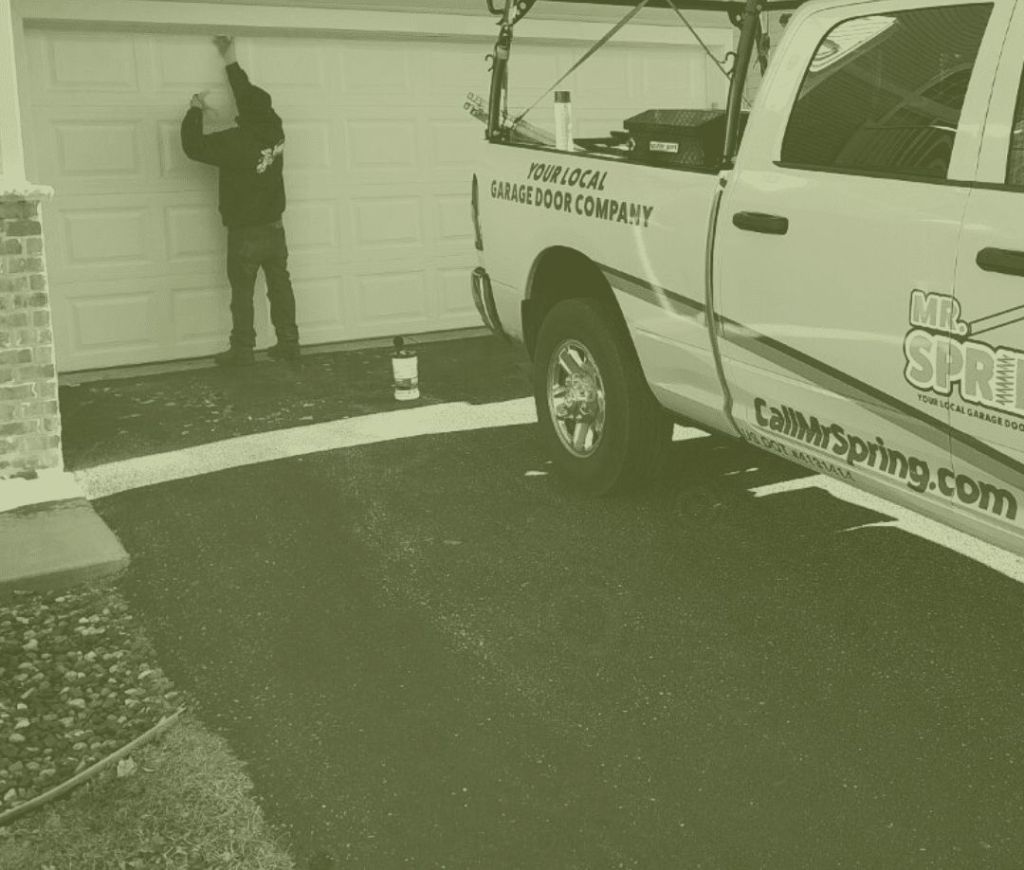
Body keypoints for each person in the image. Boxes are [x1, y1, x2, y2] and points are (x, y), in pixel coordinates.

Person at [180, 35, 300, 366]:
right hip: (275, 230)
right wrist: (230, 60)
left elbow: (194, 147)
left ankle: (242, 349)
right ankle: (289, 342)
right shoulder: (276, 129)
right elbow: (248, 96)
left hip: (246, 233)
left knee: (243, 292)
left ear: (243, 115)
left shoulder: (236, 142)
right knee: (280, 286)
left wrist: (195, 109)